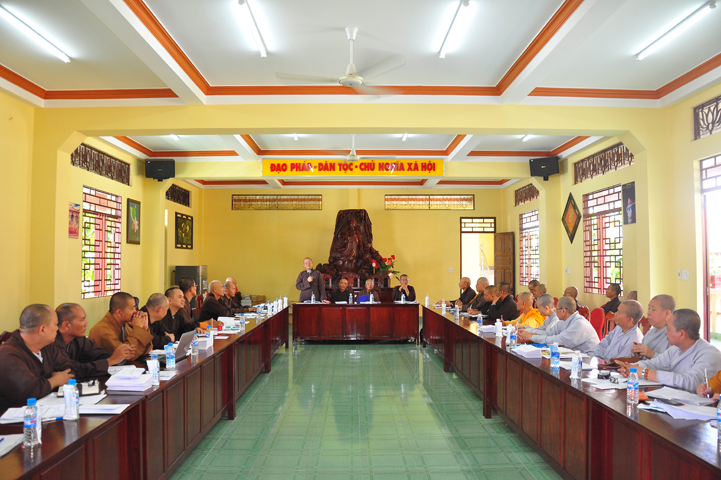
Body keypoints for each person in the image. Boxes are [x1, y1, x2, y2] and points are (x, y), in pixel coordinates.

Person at [617, 309, 721, 393]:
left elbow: (690, 382)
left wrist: (645, 373)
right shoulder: (675, 349)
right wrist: (631, 368)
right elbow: (653, 364)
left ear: (682, 334)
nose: (666, 332)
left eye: (669, 329)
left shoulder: (710, 354)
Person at [0, 304, 76, 409]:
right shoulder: (7, 354)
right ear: (42, 329)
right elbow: (28, 392)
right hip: (15, 415)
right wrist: (55, 380)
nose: (57, 329)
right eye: (55, 324)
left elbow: (69, 370)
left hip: (48, 408)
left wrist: (46, 383)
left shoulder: (48, 347)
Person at [54, 303, 133, 378]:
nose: (86, 324)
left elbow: (98, 354)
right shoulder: (53, 344)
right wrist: (111, 361)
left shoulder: (79, 339)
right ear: (66, 325)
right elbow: (73, 370)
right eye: (82, 320)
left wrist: (122, 355)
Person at [518, 296, 600, 352]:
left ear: (563, 310)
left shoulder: (579, 323)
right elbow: (549, 333)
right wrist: (530, 334)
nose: (555, 311)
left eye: (556, 309)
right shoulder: (563, 321)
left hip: (588, 360)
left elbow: (557, 340)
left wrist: (532, 337)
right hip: (573, 355)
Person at [89, 292, 153, 360]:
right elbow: (127, 355)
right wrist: (138, 328)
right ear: (119, 312)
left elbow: (147, 349)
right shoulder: (103, 329)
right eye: (132, 308)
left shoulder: (124, 325)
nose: (135, 311)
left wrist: (144, 328)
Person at [630, 294, 674, 359]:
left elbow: (672, 361)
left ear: (667, 313)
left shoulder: (674, 335)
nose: (648, 313)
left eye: (653, 309)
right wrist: (637, 351)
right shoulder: (650, 332)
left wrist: (652, 354)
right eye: (649, 309)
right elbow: (642, 358)